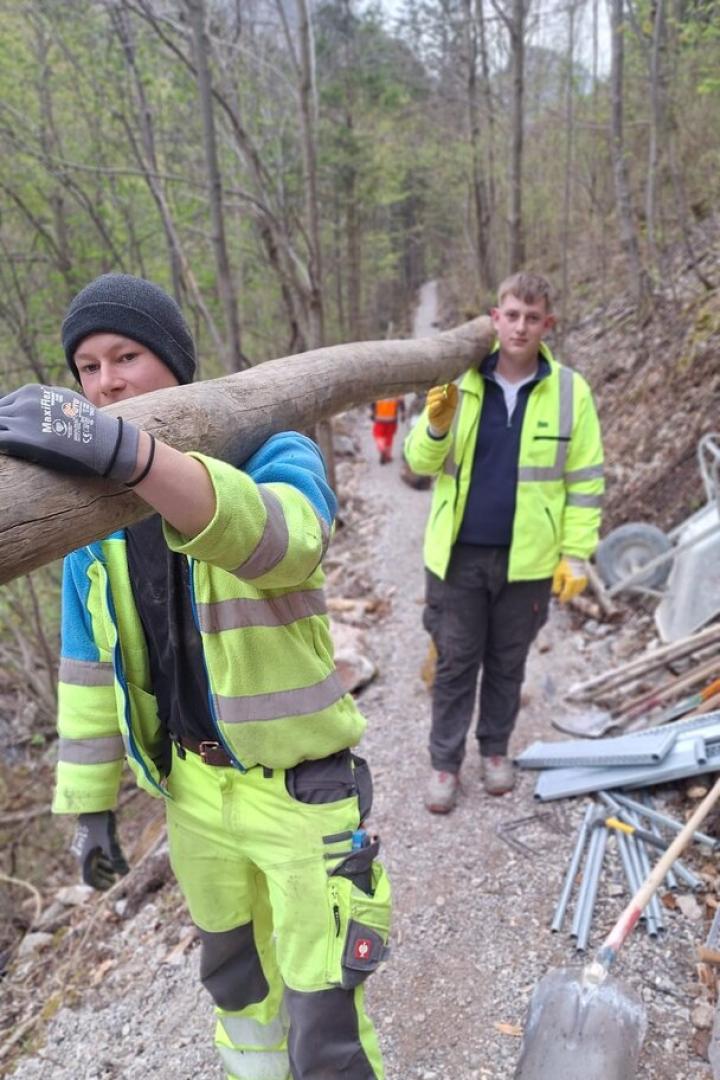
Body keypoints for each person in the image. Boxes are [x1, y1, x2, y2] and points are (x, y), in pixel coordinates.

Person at [0, 274, 391, 1079]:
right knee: (239, 991)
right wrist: (90, 805)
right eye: (87, 367)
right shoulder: (90, 520)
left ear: (176, 363)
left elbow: (290, 544)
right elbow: (86, 668)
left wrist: (134, 455)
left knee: (325, 1017)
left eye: (126, 357)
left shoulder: (273, 451)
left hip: (299, 792)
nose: (107, 383)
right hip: (193, 796)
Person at [404, 272, 604, 812]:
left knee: (508, 663)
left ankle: (495, 751)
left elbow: (585, 481)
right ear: (495, 319)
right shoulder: (459, 381)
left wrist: (575, 554)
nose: (520, 326)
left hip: (529, 563)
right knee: (454, 663)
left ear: (548, 324)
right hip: (457, 557)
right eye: (511, 315)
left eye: (532, 318)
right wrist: (436, 427)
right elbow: (417, 462)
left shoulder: (571, 392)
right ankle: (444, 764)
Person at [370, 396, 405, 464]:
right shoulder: (396, 393)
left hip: (379, 419)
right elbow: (401, 403)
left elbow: (372, 404)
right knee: (389, 437)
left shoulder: (378, 393)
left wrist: (373, 413)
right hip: (392, 420)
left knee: (378, 436)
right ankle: (388, 456)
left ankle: (382, 449)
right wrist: (403, 414)